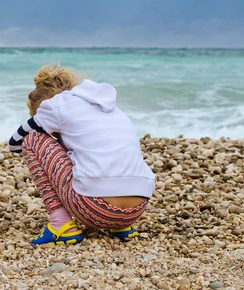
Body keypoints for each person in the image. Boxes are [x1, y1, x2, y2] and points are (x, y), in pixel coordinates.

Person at [8, 64, 155, 246]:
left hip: (95, 209)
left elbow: (15, 144)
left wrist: (53, 139)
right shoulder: (108, 105)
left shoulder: (56, 104)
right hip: (135, 211)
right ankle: (119, 228)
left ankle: (62, 227)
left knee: (33, 139)